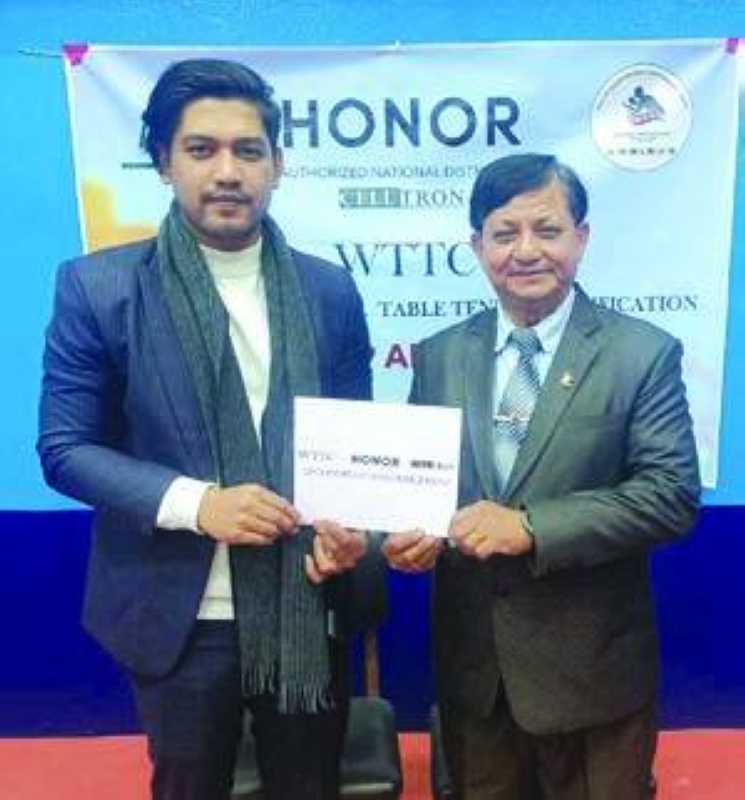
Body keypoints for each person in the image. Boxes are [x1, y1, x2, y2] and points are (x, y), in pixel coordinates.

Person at [38, 59, 373, 800]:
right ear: (164, 162)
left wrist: (352, 532)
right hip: (181, 614)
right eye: (201, 149)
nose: (227, 172)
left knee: (309, 787)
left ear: (277, 163)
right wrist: (201, 504)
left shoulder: (328, 290)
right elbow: (65, 450)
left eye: (248, 151)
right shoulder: (99, 288)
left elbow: (353, 445)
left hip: (304, 603)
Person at [382, 153, 700, 800]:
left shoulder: (640, 353)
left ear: (580, 238)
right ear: (478, 247)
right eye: (504, 233)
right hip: (476, 677)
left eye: (547, 230)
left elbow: (668, 496)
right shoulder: (440, 355)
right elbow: (422, 485)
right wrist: (406, 537)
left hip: (591, 677)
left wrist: (530, 527)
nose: (526, 251)